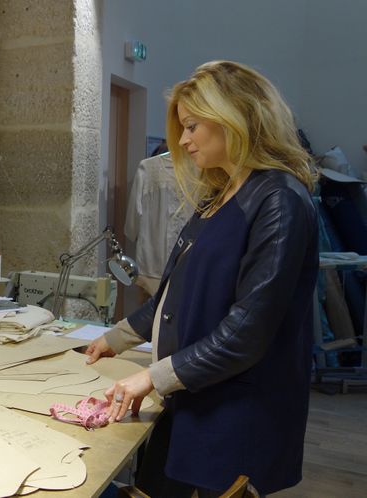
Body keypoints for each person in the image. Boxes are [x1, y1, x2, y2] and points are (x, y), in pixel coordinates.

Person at [85, 60, 318, 497]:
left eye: (193, 126)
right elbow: (176, 291)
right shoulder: (222, 193)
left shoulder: (279, 202)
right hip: (193, 396)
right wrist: (116, 337)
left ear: (235, 116)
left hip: (235, 411)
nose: (185, 140)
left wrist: (152, 377)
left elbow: (247, 331)